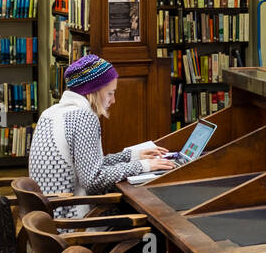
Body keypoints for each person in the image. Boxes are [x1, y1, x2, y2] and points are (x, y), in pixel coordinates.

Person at [28, 53, 173, 216]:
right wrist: (144, 166)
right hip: (73, 222)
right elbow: (93, 179)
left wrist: (131, 156)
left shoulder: (50, 113)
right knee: (153, 215)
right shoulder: (83, 117)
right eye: (110, 93)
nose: (113, 100)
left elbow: (88, 165)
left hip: (50, 218)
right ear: (93, 91)